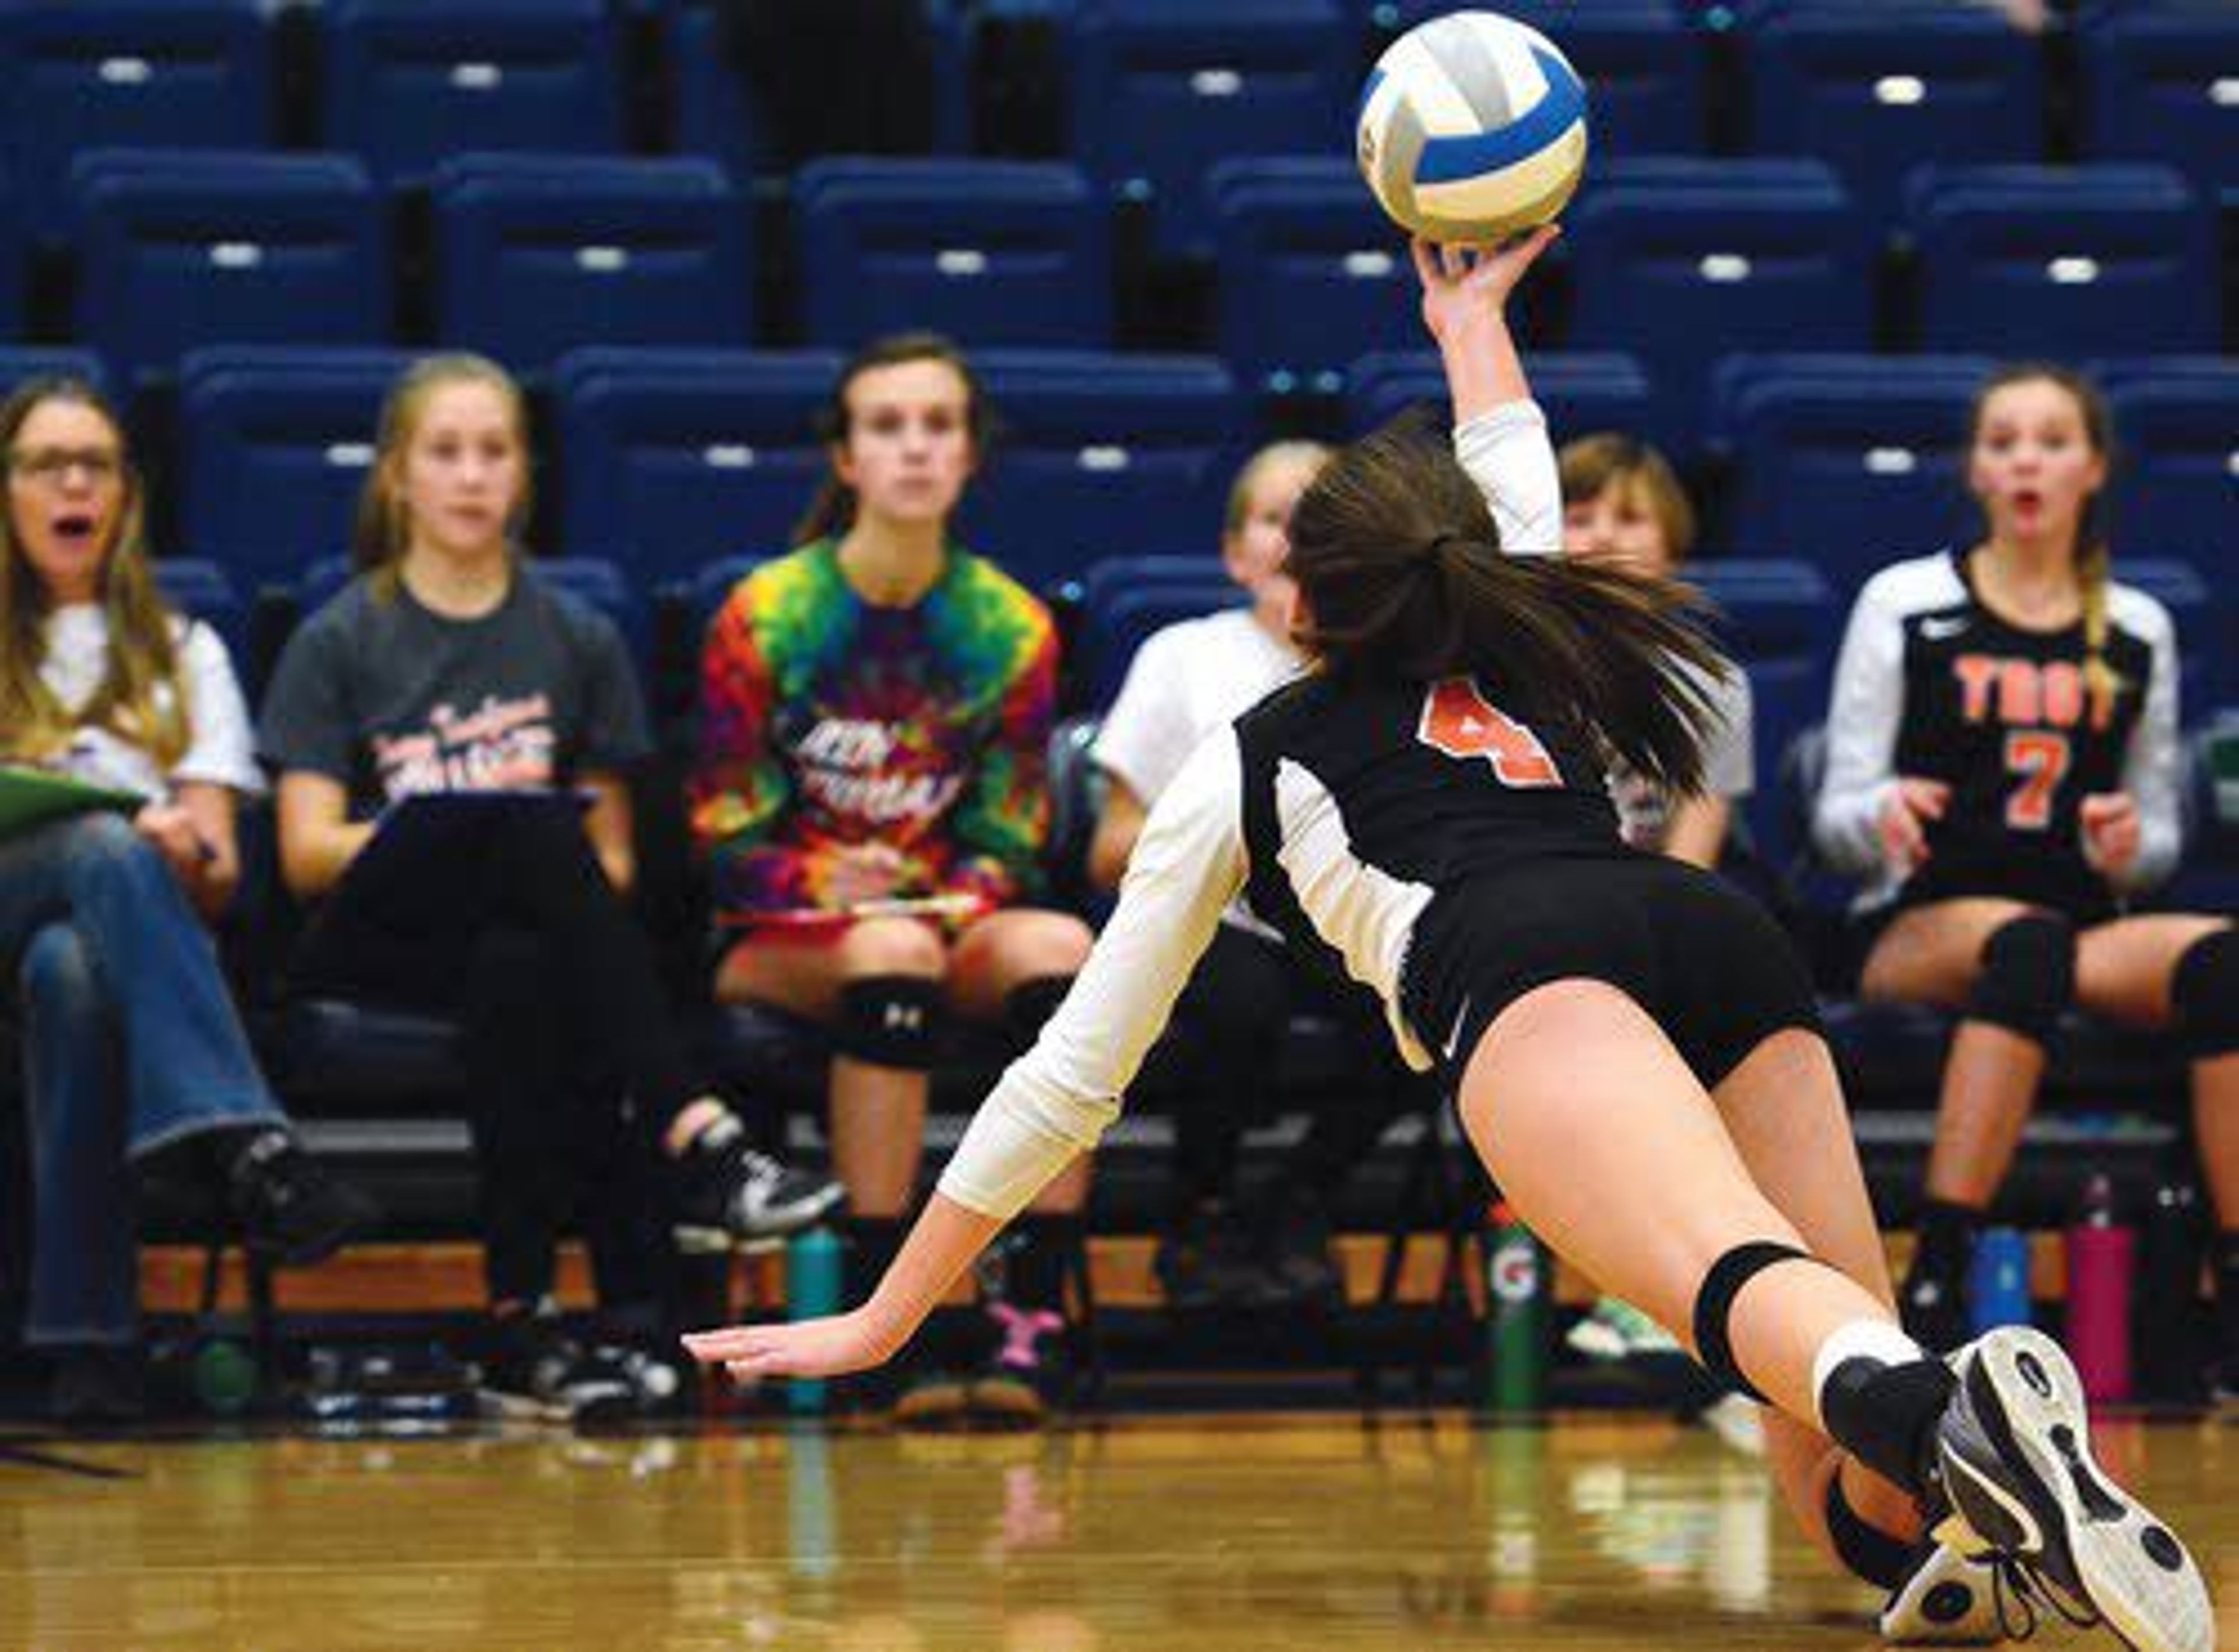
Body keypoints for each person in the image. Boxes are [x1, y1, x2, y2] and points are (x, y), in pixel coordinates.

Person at [689, 238, 2213, 1652]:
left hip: (1530, 974)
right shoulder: (1525, 622)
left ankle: (1953, 1407)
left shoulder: (1247, 757)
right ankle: (1953, 1481)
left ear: (1302, 599)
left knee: (1736, 1285)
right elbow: (1513, 459)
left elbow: (1067, 1079)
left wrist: (890, 1311)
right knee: (1836, 1466)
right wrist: (1472, 322)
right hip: (1711, 939)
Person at [259, 354, 840, 1418]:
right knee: (523, 848)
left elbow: (611, 863)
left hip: (519, 941)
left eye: (494, 451)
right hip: (379, 940)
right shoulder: (338, 636)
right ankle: (697, 1136)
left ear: (525, 474)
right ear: (397, 476)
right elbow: (303, 852)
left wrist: (507, 838)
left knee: (522, 959)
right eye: (446, 452)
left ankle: (521, 1321)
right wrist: (450, 826)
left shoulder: (576, 636)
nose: (472, 475)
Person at [690, 332, 1093, 1423]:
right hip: (785, 934)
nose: (914, 448)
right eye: (887, 426)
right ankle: (880, 1316)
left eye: (937, 426)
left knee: (1068, 954)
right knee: (891, 949)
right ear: (846, 457)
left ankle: (1032, 1313)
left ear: (968, 455)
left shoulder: (1009, 627)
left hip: (939, 918)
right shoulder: (766, 615)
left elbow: (1011, 835)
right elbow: (726, 831)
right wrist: (833, 875)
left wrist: (956, 892)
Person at [1812, 363, 2239, 1390]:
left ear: (2092, 468)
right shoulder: (1907, 602)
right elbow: (1833, 821)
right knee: (2029, 948)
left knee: (2225, 962)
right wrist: (1882, 818)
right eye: (2003, 441)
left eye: (2050, 440)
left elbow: (2158, 846)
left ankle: (2232, 1285)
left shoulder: (2136, 626)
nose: (2025, 459)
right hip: (1923, 922)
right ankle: (1938, 1270)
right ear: (1976, 470)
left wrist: (2127, 839)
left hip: (2078, 922)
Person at [0, 378, 377, 1423]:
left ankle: (83, 1347)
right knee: (93, 838)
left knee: (70, 971)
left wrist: (179, 845)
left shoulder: (182, 650)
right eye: (45, 464)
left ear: (126, 492)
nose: (75, 483)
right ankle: (247, 1139)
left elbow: (218, 879)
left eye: (97, 464)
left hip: (115, 941)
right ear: (8, 491)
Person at [1089, 438, 1426, 1312]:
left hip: (1346, 920)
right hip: (1217, 917)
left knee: (1431, 1005)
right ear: (1237, 553)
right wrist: (1221, 841)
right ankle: (1196, 1209)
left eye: (1328, 518)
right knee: (1238, 1006)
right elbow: (1108, 842)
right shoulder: (1183, 655)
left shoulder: (1402, 671)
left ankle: (1293, 1200)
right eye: (1280, 519)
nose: (1304, 540)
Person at [1557, 434, 1759, 1415]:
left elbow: (1697, 849)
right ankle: (1631, 1276)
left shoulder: (1711, 683)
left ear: (1672, 541)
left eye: (1627, 517)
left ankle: (1678, 1291)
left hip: (1649, 915)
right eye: (1580, 513)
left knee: (1694, 988)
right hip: (1541, 910)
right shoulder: (1510, 668)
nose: (1600, 536)